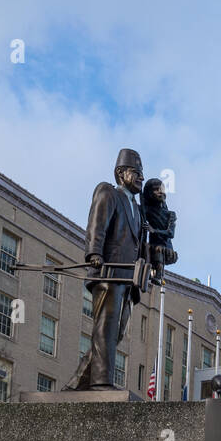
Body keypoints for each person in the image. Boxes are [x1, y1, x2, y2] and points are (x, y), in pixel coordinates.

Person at [67, 148, 145, 390]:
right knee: (106, 326)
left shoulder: (138, 211)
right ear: (121, 173)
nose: (141, 177)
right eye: (136, 172)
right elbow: (96, 223)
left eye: (142, 173)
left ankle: (77, 381)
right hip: (108, 271)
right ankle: (100, 382)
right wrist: (94, 253)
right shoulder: (108, 192)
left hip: (127, 279)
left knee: (117, 332)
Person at [141, 177, 178, 283]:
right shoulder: (148, 210)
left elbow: (170, 233)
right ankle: (146, 271)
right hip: (152, 246)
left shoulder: (170, 214)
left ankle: (159, 274)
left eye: (161, 189)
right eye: (156, 189)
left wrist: (154, 230)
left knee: (158, 249)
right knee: (146, 247)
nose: (160, 192)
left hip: (165, 248)